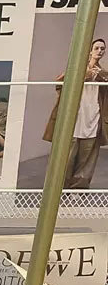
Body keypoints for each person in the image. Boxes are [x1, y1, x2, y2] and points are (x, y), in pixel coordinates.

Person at [43, 38, 108, 189]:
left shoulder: (103, 74)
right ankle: (60, 188)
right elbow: (59, 82)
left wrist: (100, 76)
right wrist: (85, 74)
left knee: (87, 159)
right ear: (90, 51)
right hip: (74, 120)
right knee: (66, 157)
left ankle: (78, 189)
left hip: (93, 119)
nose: (100, 51)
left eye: (102, 49)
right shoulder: (77, 68)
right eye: (97, 48)